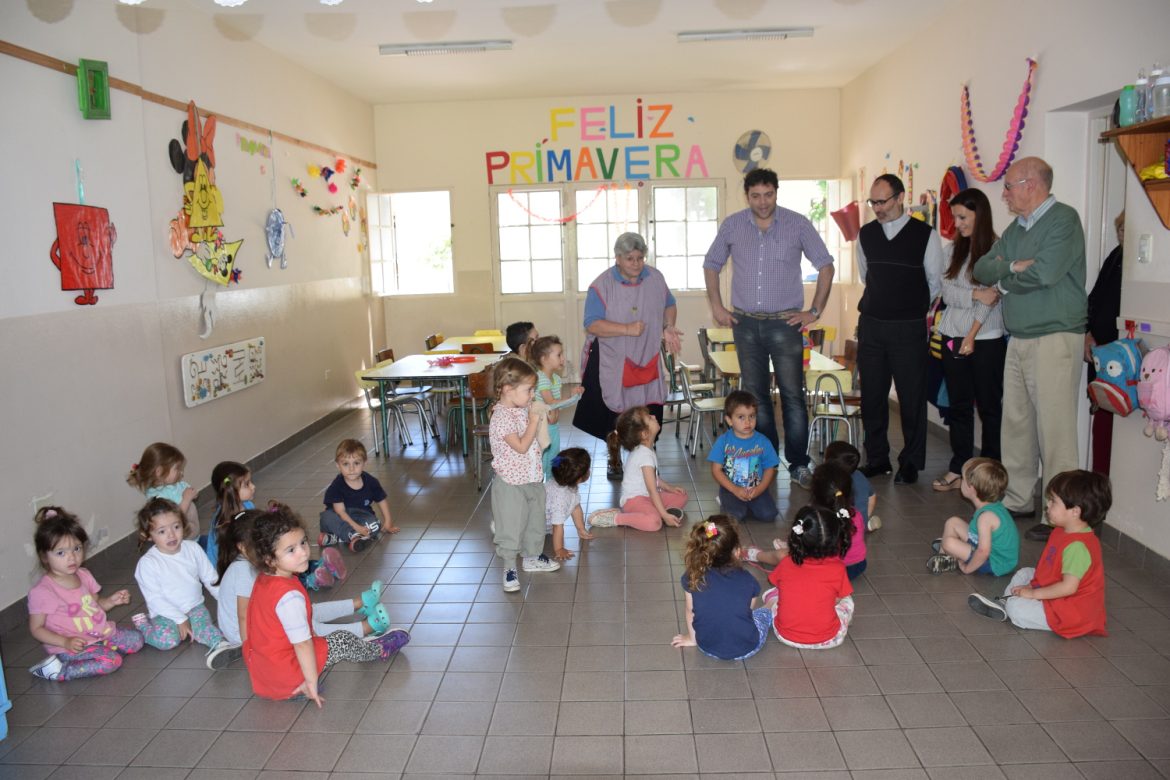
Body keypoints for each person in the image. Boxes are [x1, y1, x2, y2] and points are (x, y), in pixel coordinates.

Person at [974, 157, 1088, 542]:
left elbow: (1047, 273)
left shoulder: (1063, 220)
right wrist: (1013, 267)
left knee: (1055, 430)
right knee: (1017, 425)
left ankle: (1060, 512)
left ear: (1032, 185)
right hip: (1019, 336)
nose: (1004, 194)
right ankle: (1019, 499)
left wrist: (1005, 280)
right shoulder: (1016, 228)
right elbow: (983, 268)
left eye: (1008, 186)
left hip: (1055, 336)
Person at [703, 167, 835, 489]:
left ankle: (799, 464)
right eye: (755, 196)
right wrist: (717, 307)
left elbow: (826, 266)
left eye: (768, 195)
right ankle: (767, 461)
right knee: (756, 398)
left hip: (785, 324)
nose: (762, 202)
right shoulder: (733, 225)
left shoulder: (797, 224)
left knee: (792, 395)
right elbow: (711, 264)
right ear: (746, 196)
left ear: (776, 192)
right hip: (745, 324)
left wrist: (813, 311)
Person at [243, 505, 409, 706]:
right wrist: (311, 682)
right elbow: (302, 644)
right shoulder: (289, 597)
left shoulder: (263, 580)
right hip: (288, 675)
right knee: (343, 640)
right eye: (291, 550)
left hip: (264, 673)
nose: (303, 553)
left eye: (303, 542)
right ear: (269, 559)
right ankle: (377, 649)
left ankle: (294, 684)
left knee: (314, 625)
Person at [855, 174, 945, 485]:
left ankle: (911, 462)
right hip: (872, 325)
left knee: (911, 398)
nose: (878, 208)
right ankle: (877, 458)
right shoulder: (866, 234)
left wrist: (908, 307)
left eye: (883, 202)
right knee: (872, 397)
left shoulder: (925, 235)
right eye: (873, 202)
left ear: (900, 197)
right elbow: (866, 276)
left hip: (908, 328)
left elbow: (935, 282)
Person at [573, 232, 684, 479]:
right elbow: (592, 324)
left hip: (647, 354)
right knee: (615, 414)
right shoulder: (601, 285)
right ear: (618, 258)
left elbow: (670, 303)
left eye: (640, 258)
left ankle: (647, 455)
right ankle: (614, 460)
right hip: (614, 359)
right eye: (630, 258)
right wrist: (627, 329)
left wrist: (668, 326)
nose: (636, 264)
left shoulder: (655, 278)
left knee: (649, 408)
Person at [968, 470, 1110, 638]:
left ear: (1075, 511)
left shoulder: (1077, 547)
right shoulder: (1061, 530)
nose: (1047, 505)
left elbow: (1068, 587)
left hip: (1070, 612)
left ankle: (1009, 605)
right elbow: (1050, 570)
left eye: (1053, 501)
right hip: (1057, 592)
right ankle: (1005, 601)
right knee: (1025, 573)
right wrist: (1033, 586)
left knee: (1017, 609)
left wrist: (1033, 593)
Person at [217, 506, 386, 647]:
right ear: (243, 547)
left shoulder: (252, 563)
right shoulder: (243, 570)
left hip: (261, 623)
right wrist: (249, 648)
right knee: (310, 627)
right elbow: (243, 616)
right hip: (248, 635)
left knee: (309, 610)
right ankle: (366, 627)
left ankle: (359, 603)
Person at [932, 188, 1006, 492]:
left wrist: (973, 330)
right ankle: (959, 468)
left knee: (989, 407)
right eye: (955, 217)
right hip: (952, 336)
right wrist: (975, 293)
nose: (958, 223)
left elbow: (993, 298)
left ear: (980, 214)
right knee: (958, 405)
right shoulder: (952, 250)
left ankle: (989, 475)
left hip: (987, 338)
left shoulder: (998, 250)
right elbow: (946, 293)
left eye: (963, 217)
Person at [27, 506, 144, 682]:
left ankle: (100, 650)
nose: (71, 557)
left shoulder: (83, 575)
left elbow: (95, 605)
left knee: (136, 640)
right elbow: (36, 629)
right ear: (44, 556)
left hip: (99, 634)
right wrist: (65, 642)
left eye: (76, 549)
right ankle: (59, 671)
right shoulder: (43, 591)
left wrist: (111, 601)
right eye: (61, 553)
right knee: (111, 661)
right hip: (70, 646)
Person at [132, 498, 238, 669]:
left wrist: (227, 601)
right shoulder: (148, 564)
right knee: (168, 641)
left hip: (194, 607)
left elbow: (211, 579)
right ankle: (144, 626)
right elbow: (155, 599)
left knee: (204, 627)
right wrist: (180, 619)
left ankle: (221, 645)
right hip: (164, 613)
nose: (171, 535)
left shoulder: (193, 549)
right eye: (162, 531)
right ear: (148, 535)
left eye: (176, 527)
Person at [489, 356, 561, 592]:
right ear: (508, 389)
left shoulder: (522, 408)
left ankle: (532, 556)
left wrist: (545, 414)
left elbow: (543, 418)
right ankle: (509, 567)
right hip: (510, 483)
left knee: (535, 521)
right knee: (511, 525)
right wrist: (533, 422)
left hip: (532, 477)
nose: (532, 395)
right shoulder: (501, 417)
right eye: (529, 390)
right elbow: (520, 446)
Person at [671, 515, 772, 660]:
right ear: (737, 551)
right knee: (763, 613)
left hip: (706, 647)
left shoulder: (693, 576)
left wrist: (692, 640)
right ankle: (772, 603)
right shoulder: (748, 581)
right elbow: (747, 611)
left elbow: (690, 611)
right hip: (747, 648)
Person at [588, 405, 689, 531]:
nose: (654, 416)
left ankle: (657, 512)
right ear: (644, 434)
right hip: (634, 501)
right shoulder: (644, 455)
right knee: (654, 523)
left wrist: (670, 488)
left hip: (647, 496)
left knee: (682, 496)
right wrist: (664, 514)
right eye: (650, 418)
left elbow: (653, 479)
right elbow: (652, 490)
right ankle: (617, 518)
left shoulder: (647, 448)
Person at [768, 505, 855, 649]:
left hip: (785, 636)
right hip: (828, 639)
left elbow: (775, 581)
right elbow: (836, 600)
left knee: (776, 594)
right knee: (847, 598)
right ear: (835, 538)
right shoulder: (838, 568)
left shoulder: (786, 562)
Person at [926, 457, 1019, 576]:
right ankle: (944, 554)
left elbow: (983, 551)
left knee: (949, 542)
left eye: (963, 479)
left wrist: (967, 569)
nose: (960, 481)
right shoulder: (990, 505)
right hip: (990, 550)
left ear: (971, 488)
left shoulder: (986, 518)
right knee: (953, 522)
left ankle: (951, 555)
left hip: (995, 562)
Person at [1085, 212, 1125, 475]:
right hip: (1101, 355)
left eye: (1127, 230)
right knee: (1101, 420)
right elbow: (1095, 299)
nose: (1123, 235)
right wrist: (1086, 332)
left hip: (1123, 360)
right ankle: (1099, 481)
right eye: (1120, 230)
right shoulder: (1115, 257)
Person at [707, 390, 780, 523]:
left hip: (756, 488)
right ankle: (728, 502)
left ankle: (747, 506)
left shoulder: (763, 441)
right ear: (729, 420)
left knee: (769, 515)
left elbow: (770, 469)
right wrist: (734, 489)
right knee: (735, 516)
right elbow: (716, 470)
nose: (748, 422)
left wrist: (759, 489)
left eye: (751, 416)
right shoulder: (723, 441)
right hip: (731, 489)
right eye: (741, 417)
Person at [318, 439, 399, 553]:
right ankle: (353, 535)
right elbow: (341, 512)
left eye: (356, 463)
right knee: (326, 517)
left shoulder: (371, 482)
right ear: (338, 465)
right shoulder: (336, 486)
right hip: (340, 518)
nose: (351, 469)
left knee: (375, 524)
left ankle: (338, 537)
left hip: (361, 516)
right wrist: (356, 528)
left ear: (364, 463)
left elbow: (381, 500)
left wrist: (388, 521)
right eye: (345, 464)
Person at [531, 335, 583, 480]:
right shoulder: (541, 379)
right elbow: (551, 403)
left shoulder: (556, 379)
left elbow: (558, 404)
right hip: (543, 428)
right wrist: (573, 397)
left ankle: (552, 482)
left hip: (553, 427)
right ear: (544, 359)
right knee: (542, 457)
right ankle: (540, 483)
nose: (563, 358)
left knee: (555, 456)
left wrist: (574, 396)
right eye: (559, 355)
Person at [127, 442, 200, 539]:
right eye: (177, 469)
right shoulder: (157, 498)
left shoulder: (174, 483)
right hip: (180, 542)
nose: (181, 473)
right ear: (159, 472)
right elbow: (172, 519)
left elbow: (190, 492)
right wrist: (186, 499)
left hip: (193, 535)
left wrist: (193, 493)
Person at [810, 462, 868, 581]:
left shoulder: (817, 519)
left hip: (832, 570)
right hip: (858, 565)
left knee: (787, 556)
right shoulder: (855, 513)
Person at [545, 447, 595, 561]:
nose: (589, 471)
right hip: (533, 527)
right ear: (579, 478)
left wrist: (581, 529)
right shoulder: (560, 498)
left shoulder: (567, 485)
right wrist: (559, 549)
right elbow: (557, 526)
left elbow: (575, 507)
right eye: (588, 469)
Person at [205, 461, 255, 565]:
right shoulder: (223, 521)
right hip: (226, 566)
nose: (253, 486)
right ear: (231, 490)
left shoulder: (248, 505)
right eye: (247, 484)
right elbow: (223, 557)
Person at [823, 441, 879, 532]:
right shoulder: (860, 475)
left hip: (840, 529)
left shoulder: (830, 480)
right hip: (858, 525)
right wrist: (865, 517)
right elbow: (872, 496)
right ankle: (865, 525)